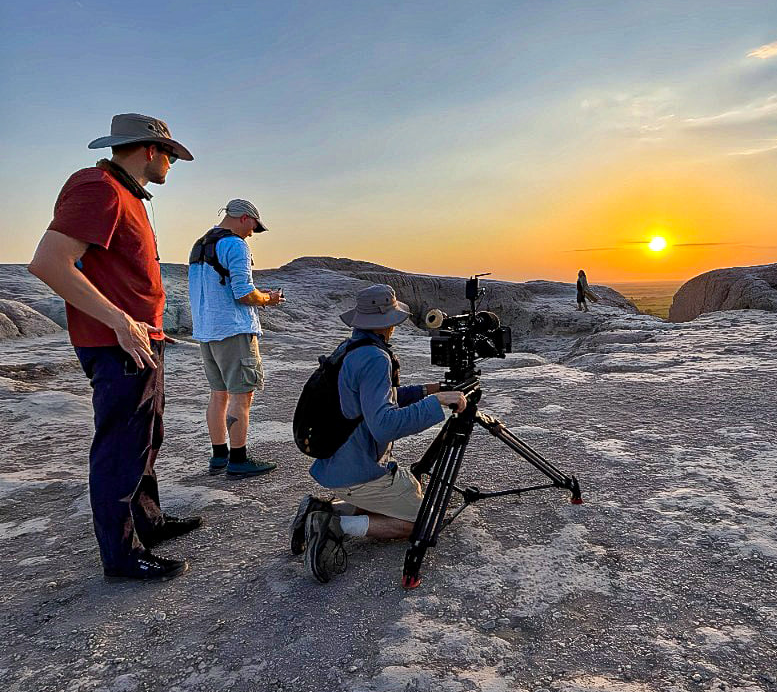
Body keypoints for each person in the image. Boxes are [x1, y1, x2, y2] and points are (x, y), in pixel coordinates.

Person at [27, 113, 201, 581]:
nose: (172, 163)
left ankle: (152, 524)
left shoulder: (127, 192)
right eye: (170, 154)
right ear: (149, 150)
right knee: (121, 448)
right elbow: (48, 263)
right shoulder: (98, 187)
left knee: (146, 438)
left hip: (141, 340)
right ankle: (121, 558)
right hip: (117, 343)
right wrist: (121, 321)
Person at [288, 284, 467, 583]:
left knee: (413, 493)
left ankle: (317, 509)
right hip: (358, 471)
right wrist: (435, 404)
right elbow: (384, 424)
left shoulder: (352, 348)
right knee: (427, 522)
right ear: (388, 322)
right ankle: (335, 525)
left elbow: (380, 397)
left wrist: (428, 390)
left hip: (338, 460)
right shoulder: (375, 358)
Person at [188, 199, 284, 477]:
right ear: (244, 218)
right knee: (242, 395)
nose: (253, 233)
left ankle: (219, 456)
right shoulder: (235, 244)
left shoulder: (200, 244)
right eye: (254, 226)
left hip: (207, 331)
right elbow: (243, 292)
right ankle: (239, 459)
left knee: (218, 395)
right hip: (233, 330)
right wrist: (268, 299)